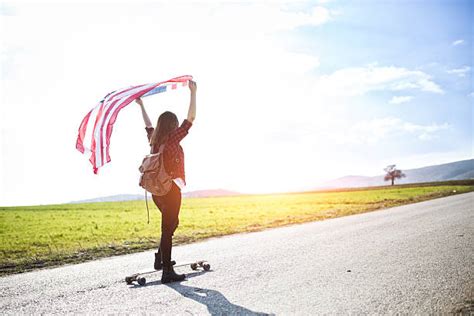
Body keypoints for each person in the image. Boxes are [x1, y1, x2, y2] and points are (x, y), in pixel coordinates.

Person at [136, 80, 197, 283]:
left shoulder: (154, 139)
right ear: (172, 125)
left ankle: (160, 259)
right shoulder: (171, 138)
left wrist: (141, 105)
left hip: (156, 191)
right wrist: (193, 92)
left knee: (171, 224)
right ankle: (167, 271)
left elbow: (147, 124)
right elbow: (191, 119)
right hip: (170, 189)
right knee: (167, 228)